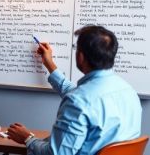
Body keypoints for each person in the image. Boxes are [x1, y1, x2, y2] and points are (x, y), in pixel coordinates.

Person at [7, 25, 142, 155]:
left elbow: (55, 154)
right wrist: (49, 64)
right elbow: (79, 96)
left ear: (81, 56)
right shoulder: (128, 91)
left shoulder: (78, 101)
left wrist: (28, 139)